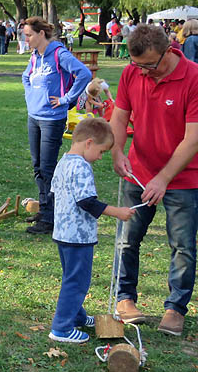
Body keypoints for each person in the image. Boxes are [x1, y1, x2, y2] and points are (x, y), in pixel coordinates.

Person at [109, 24, 198, 337]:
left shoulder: (194, 77)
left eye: (149, 64)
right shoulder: (132, 73)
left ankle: (175, 308)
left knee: (183, 245)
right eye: (137, 64)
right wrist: (118, 151)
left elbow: (193, 139)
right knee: (127, 238)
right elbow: (119, 116)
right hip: (139, 171)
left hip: (184, 177)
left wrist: (163, 178)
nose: (143, 71)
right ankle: (125, 299)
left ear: (169, 51)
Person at [48, 118, 134, 343]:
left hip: (63, 234)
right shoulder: (82, 167)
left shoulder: (63, 162)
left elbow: (54, 194)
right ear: (88, 143)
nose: (100, 157)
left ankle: (76, 316)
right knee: (77, 282)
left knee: (71, 278)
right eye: (101, 151)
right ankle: (61, 329)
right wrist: (118, 212)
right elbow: (87, 202)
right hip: (78, 237)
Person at [22, 16, 92, 235]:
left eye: (29, 35)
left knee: (47, 168)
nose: (26, 40)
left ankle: (50, 217)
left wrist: (66, 99)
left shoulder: (59, 53)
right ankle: (45, 210)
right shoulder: (35, 56)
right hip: (34, 116)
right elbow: (26, 77)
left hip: (52, 119)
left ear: (41, 34)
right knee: (37, 167)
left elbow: (84, 74)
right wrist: (32, 97)